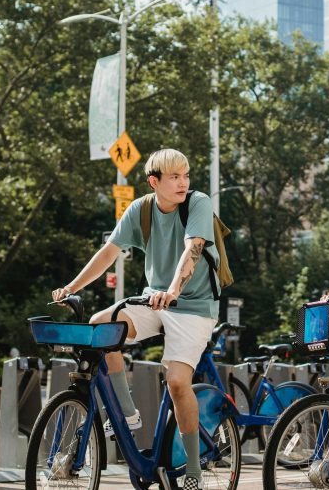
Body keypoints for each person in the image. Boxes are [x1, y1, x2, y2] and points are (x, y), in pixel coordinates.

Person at [52, 148, 219, 490]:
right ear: (154, 181)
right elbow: (108, 253)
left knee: (176, 383)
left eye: (185, 175)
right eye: (174, 177)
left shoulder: (197, 203)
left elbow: (193, 248)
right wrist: (71, 286)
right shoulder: (140, 210)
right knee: (101, 326)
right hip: (154, 300)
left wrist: (173, 289)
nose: (183, 183)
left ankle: (193, 469)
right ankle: (127, 413)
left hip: (194, 306)